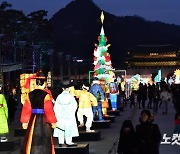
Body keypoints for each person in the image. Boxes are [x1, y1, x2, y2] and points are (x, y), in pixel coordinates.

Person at [20, 71, 57, 154]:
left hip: (33, 118)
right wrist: (53, 121)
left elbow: (26, 108)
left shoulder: (30, 95)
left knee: (32, 137)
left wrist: (25, 121)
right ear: (44, 84)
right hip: (43, 119)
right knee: (44, 138)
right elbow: (49, 110)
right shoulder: (46, 95)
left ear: (36, 84)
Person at [53, 79, 79, 146]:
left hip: (60, 116)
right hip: (69, 116)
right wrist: (68, 110)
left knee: (61, 127)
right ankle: (68, 141)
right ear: (69, 88)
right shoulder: (70, 96)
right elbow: (74, 106)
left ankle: (61, 141)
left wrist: (60, 112)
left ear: (62, 88)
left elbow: (56, 107)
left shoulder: (59, 96)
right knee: (69, 128)